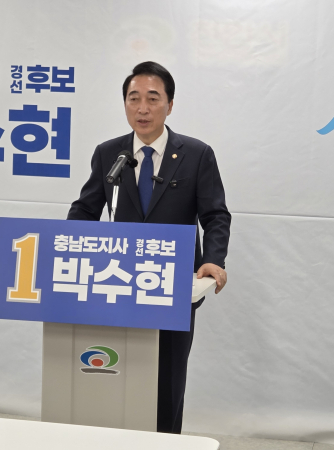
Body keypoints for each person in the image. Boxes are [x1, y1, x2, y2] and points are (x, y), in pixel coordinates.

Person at [67, 61, 231, 434]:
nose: (142, 108)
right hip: (117, 284)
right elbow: (85, 210)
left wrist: (212, 260)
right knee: (117, 374)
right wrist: (66, 249)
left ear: (169, 105)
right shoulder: (109, 153)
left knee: (167, 383)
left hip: (173, 287)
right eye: (133, 98)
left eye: (152, 99)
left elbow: (215, 215)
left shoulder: (196, 154)